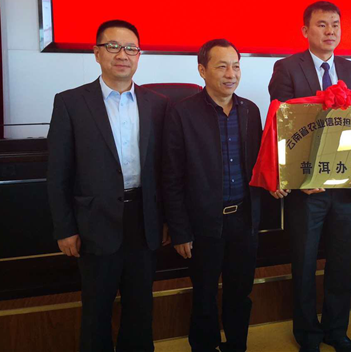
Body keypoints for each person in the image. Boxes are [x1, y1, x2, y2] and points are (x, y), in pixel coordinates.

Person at [48, 19, 169, 352]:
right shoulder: (71, 103)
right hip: (94, 223)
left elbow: (165, 169)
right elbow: (58, 172)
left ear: (139, 55)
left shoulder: (158, 104)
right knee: (96, 311)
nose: (122, 54)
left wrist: (166, 220)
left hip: (143, 220)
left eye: (131, 48)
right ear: (97, 52)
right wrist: (65, 228)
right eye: (113, 46)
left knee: (140, 309)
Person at [268, 1, 351, 352]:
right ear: (305, 30)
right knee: (305, 262)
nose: (330, 31)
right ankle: (308, 334)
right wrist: (298, 177)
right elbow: (282, 124)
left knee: (342, 262)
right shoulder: (287, 68)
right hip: (306, 190)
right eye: (322, 24)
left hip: (346, 187)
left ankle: (336, 330)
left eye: (335, 25)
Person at [163, 39, 263, 352]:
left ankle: (236, 346)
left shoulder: (250, 110)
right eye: (222, 66)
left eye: (236, 66)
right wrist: (180, 230)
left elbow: (261, 165)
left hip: (243, 220)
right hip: (203, 223)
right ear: (202, 70)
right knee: (204, 295)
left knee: (240, 293)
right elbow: (171, 177)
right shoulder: (182, 113)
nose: (231, 74)